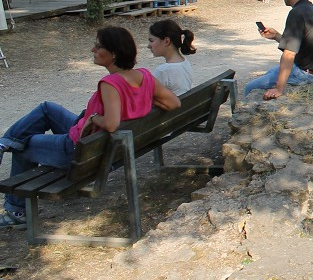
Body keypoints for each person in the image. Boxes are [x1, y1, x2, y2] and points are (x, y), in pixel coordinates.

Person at [0, 26, 181, 228]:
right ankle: (3, 143)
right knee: (47, 109)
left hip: (76, 148)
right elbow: (174, 103)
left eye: (98, 46)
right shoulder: (145, 76)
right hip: (95, 144)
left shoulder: (110, 83)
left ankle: (16, 210)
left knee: (21, 144)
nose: (92, 50)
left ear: (113, 54)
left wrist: (94, 118)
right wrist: (139, 104)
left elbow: (111, 124)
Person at [147, 19, 196, 95]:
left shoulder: (163, 71)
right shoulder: (185, 63)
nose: (148, 46)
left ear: (166, 41)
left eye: (151, 40)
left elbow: (148, 97)